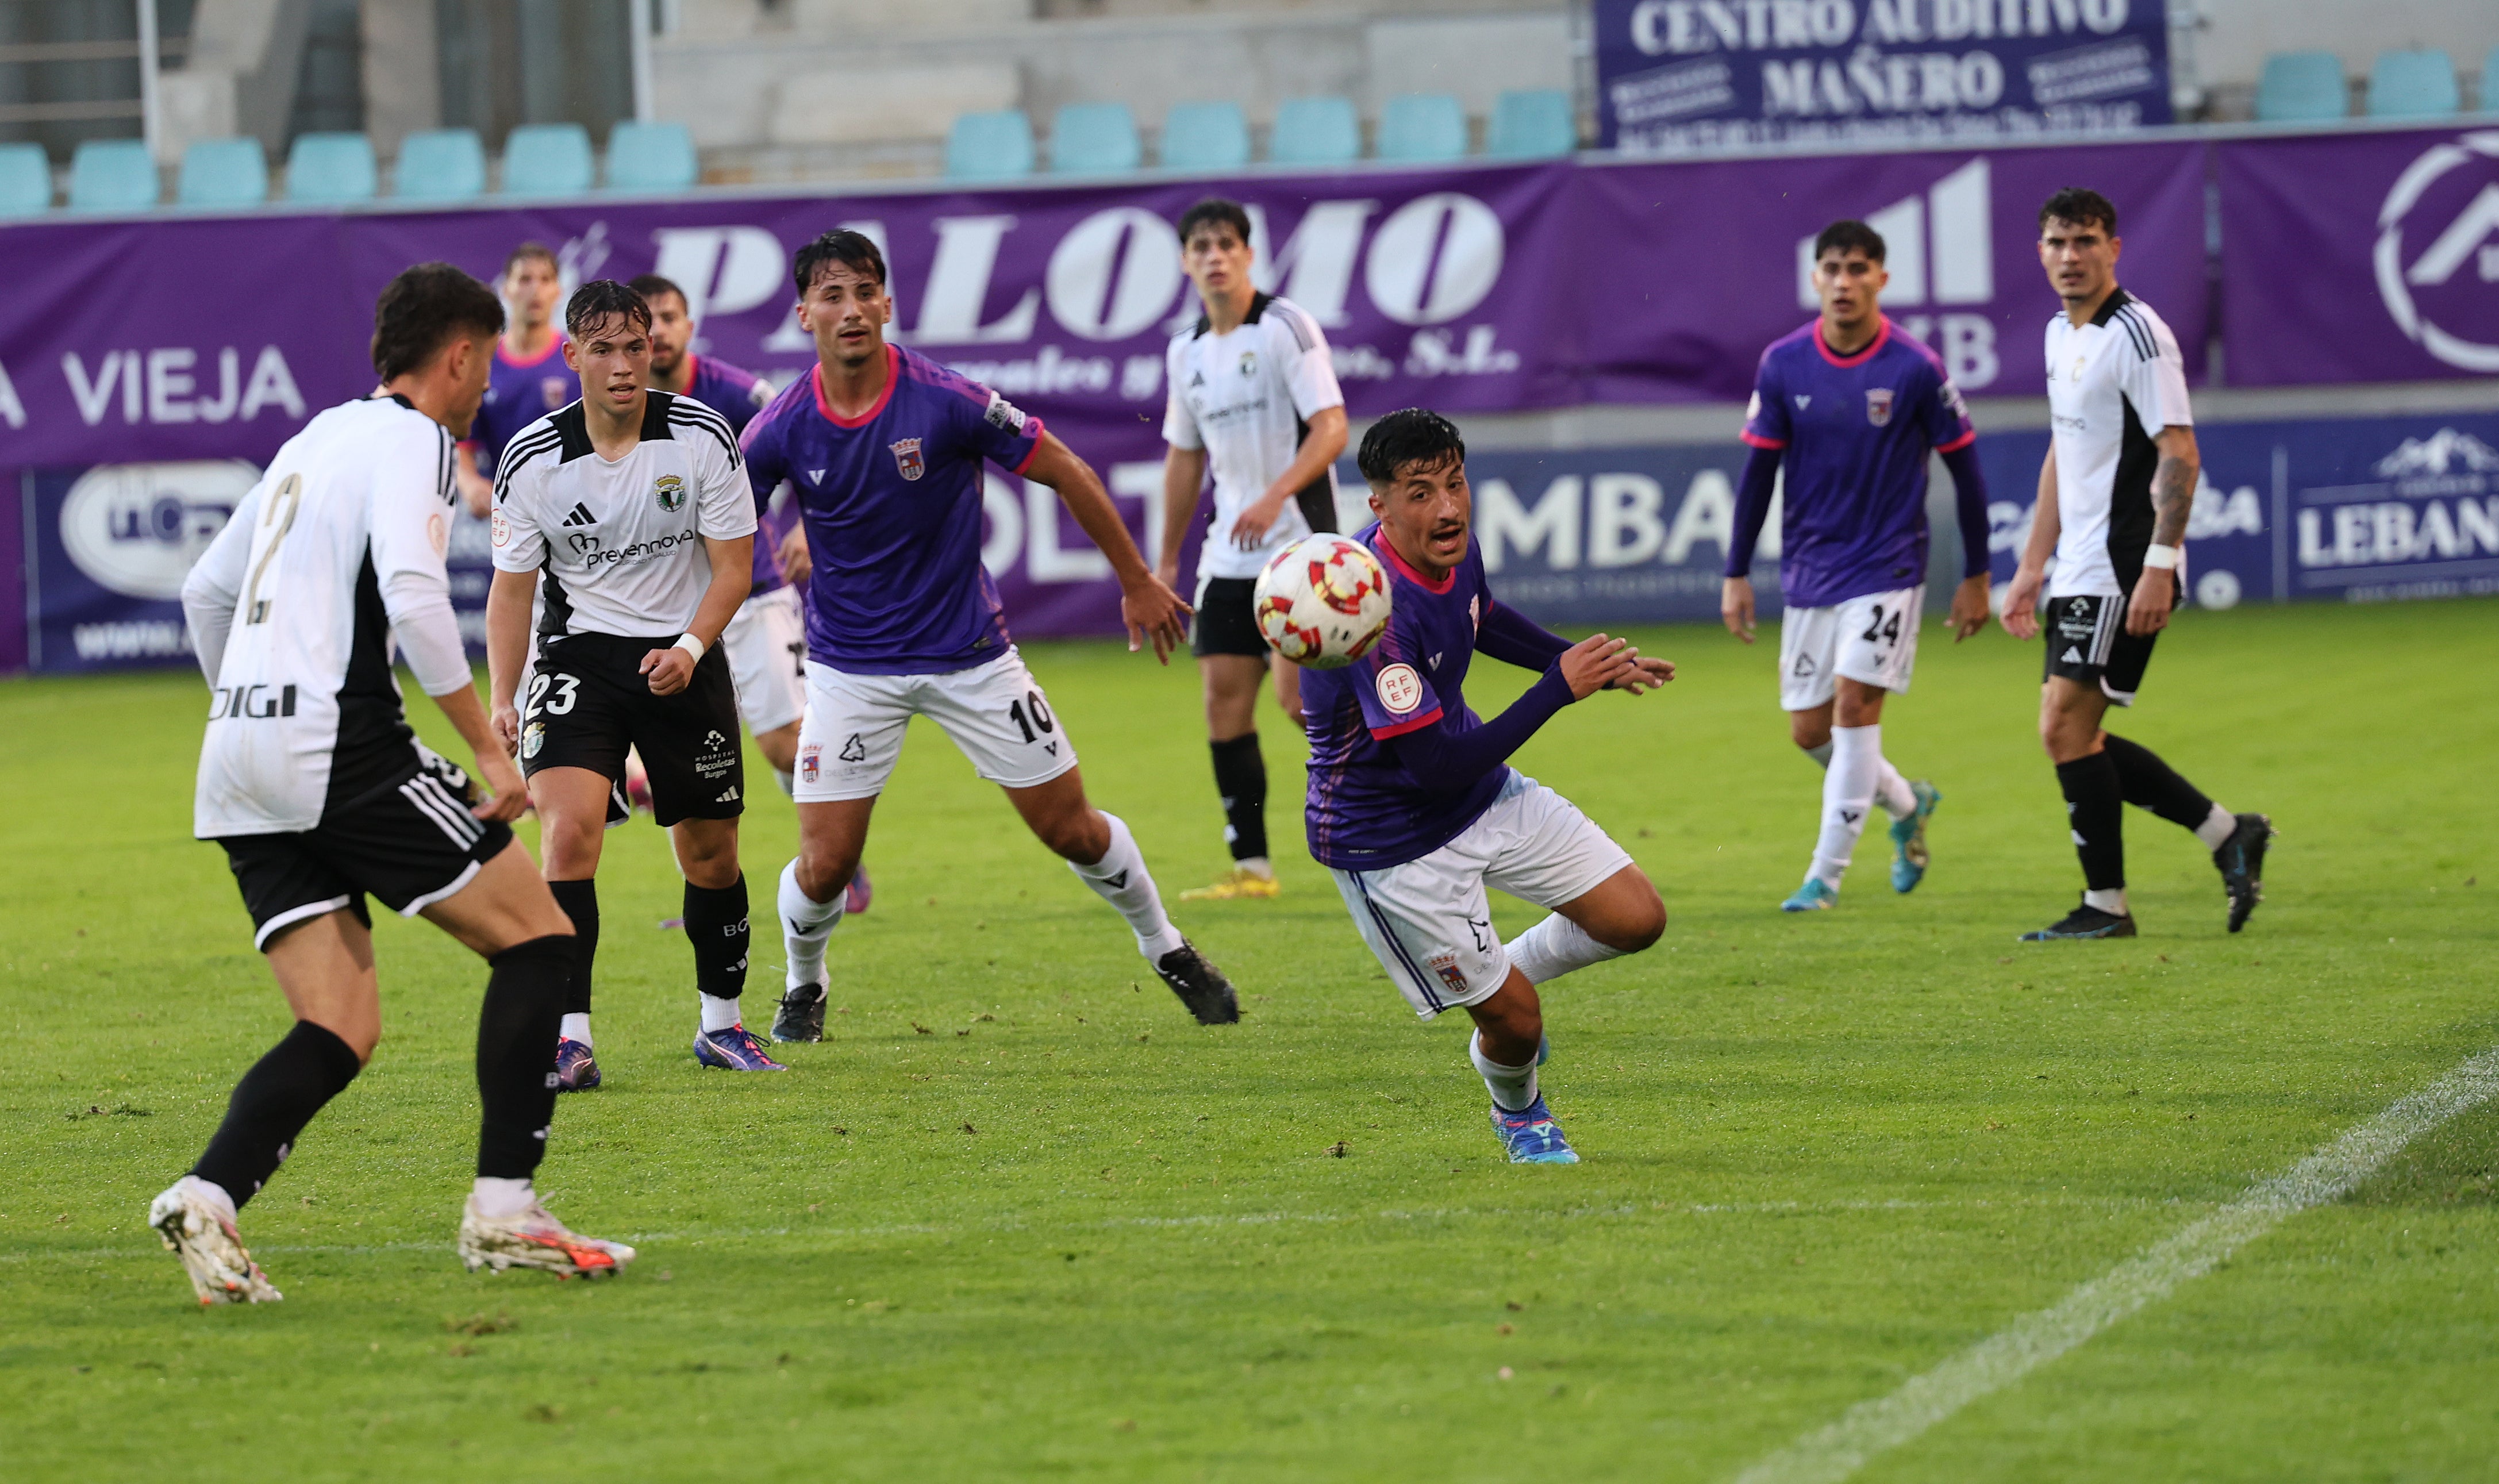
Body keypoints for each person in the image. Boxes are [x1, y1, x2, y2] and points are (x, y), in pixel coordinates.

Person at [156, 262, 632, 1304]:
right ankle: (505, 1207)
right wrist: (492, 750)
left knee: (341, 1022)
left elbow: (205, 591)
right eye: (480, 367)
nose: (482, 393)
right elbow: (416, 599)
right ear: (458, 354)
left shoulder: (311, 439)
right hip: (339, 744)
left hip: (237, 754)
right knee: (542, 934)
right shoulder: (417, 439)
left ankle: (209, 1193)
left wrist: (245, 708)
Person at [745, 229, 1240, 1043]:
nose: (851, 309)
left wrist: (1135, 579)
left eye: (865, 291)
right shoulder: (782, 425)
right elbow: (726, 522)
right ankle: (804, 984)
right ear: (805, 314)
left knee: (1072, 828)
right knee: (826, 863)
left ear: (887, 304)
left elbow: (1067, 468)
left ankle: (1168, 947)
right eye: (831, 295)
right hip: (849, 669)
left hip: (972, 656)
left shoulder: (947, 399)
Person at [1303, 409, 1672, 1165]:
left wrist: (1580, 661)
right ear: (1379, 506)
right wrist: (1557, 691)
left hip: (1479, 794)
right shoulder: (1373, 612)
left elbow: (1484, 615)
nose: (1446, 507)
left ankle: (1489, 978)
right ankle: (1520, 1111)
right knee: (1518, 1025)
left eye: (1454, 483)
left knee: (1636, 916)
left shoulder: (1454, 549)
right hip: (1393, 844)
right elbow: (1430, 765)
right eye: (1418, 491)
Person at [485, 280, 773, 1086]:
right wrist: (504, 695)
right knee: (568, 833)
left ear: (654, 350)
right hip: (578, 657)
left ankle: (722, 1024)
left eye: (634, 347)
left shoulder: (703, 436)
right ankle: (568, 1038)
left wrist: (690, 646)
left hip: (684, 654)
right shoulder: (532, 456)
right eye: (602, 349)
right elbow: (511, 592)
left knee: (711, 853)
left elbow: (734, 568)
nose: (621, 365)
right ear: (571, 355)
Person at [2002, 187, 2272, 940]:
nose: (2070, 256)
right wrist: (2031, 565)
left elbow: (2179, 451)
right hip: (2079, 565)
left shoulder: (2138, 334)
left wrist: (2160, 561)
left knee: (2063, 726)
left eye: (2086, 241)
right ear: (2041, 252)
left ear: (2115, 248)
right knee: (2071, 731)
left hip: (2123, 563)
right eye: (2057, 243)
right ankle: (2226, 834)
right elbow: (2065, 449)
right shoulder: (2061, 334)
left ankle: (2107, 906)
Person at [1721, 218, 1994, 912]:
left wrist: (1976, 575)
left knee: (1852, 709)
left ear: (1881, 278)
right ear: (1815, 278)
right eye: (1832, 269)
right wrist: (1735, 572)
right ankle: (1906, 804)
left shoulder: (1914, 367)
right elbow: (1757, 474)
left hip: (1888, 564)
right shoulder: (1783, 363)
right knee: (1809, 731)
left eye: (1858, 269)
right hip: (1812, 567)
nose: (1844, 282)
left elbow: (1966, 472)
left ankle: (1825, 877)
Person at [630, 271, 874, 924]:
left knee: (781, 744)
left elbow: (812, 445)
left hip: (753, 590)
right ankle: (705, 896)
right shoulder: (615, 406)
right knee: (687, 757)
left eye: (670, 316)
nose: (658, 331)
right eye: (646, 320)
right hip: (668, 605)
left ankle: (837, 861)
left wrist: (805, 524)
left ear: (688, 325)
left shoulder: (736, 393)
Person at [1154, 197, 1350, 902]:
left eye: (1225, 243)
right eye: (1200, 246)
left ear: (1247, 254)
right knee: (1223, 706)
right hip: (1228, 557)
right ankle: (1254, 868)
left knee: (1300, 703)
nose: (1213, 256)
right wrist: (1165, 561)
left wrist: (1276, 494)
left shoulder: (1285, 326)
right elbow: (1183, 458)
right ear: (1185, 261)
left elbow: (1332, 427)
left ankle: (1390, 812)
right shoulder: (1186, 349)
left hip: (1300, 546)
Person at [454, 242, 571, 518]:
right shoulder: (485, 362)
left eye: (545, 280)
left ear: (559, 291)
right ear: (506, 289)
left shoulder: (577, 359)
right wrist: (470, 485)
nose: (535, 290)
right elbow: (461, 442)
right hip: (512, 518)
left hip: (577, 513)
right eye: (525, 279)